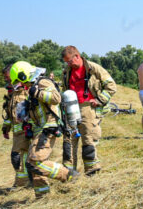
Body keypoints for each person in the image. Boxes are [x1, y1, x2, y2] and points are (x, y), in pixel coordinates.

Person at [9, 61, 78, 198]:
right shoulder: (31, 86)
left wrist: (37, 92)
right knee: (31, 163)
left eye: (19, 80)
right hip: (39, 129)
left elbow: (56, 98)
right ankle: (42, 196)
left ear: (24, 76)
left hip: (49, 127)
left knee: (35, 162)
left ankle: (68, 175)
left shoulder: (42, 82)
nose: (21, 85)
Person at [61, 46, 117, 176]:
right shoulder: (66, 71)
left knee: (88, 139)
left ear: (77, 56)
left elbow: (111, 86)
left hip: (88, 108)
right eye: (66, 62)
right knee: (69, 140)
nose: (68, 64)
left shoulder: (93, 68)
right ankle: (69, 173)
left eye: (70, 61)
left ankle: (92, 172)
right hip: (71, 108)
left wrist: (99, 100)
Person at [1, 64, 31, 188]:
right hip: (18, 132)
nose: (7, 81)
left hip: (27, 130)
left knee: (18, 156)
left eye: (8, 78)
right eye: (6, 79)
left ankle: (23, 183)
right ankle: (24, 182)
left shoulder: (26, 90)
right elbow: (10, 112)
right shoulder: (12, 92)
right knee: (20, 157)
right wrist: (6, 127)